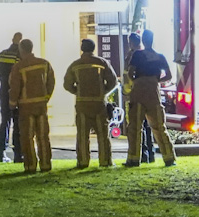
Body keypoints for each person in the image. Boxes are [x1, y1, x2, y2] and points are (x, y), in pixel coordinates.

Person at [123, 29, 177, 167]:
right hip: (153, 92)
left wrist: (135, 81)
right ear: (152, 40)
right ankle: (169, 158)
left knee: (135, 126)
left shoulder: (137, 55)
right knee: (159, 126)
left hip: (139, 92)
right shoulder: (160, 56)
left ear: (143, 40)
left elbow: (130, 73)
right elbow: (169, 76)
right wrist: (155, 81)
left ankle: (133, 159)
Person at [63, 39, 117, 169]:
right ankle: (105, 161)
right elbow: (113, 81)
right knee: (103, 134)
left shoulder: (75, 65)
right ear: (93, 48)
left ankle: (83, 161)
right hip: (99, 104)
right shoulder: (102, 63)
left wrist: (78, 92)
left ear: (82, 49)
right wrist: (103, 92)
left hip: (82, 104)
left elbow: (67, 84)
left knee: (82, 134)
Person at [7, 37, 55, 173]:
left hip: (25, 107)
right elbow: (51, 82)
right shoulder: (44, 64)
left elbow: (14, 87)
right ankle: (46, 164)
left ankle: (30, 166)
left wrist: (12, 103)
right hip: (41, 106)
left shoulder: (18, 67)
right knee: (43, 136)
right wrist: (46, 97)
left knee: (27, 138)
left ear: (21, 50)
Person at [0, 31, 23, 164]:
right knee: (17, 122)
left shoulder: (2, 54)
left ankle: (1, 151)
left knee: (5, 121)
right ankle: (18, 154)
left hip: (3, 90)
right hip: (17, 91)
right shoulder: (20, 55)